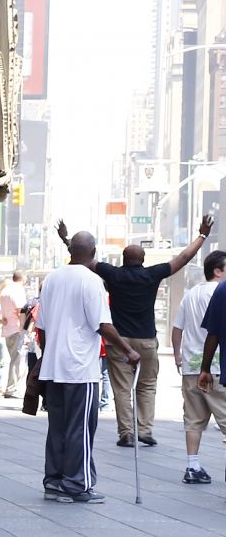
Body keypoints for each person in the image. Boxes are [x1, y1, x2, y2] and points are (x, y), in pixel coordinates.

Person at [59, 215, 213, 447]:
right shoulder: (152, 274)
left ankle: (127, 433)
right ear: (143, 259)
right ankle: (146, 429)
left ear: (123, 259)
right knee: (147, 386)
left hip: (119, 341)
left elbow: (84, 257)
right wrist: (202, 235)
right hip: (147, 340)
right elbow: (183, 258)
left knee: (121, 389)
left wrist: (66, 240)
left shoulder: (112, 273)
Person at [38, 230, 141, 503]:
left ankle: (54, 481)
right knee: (80, 428)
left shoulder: (51, 278)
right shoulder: (92, 281)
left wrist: (46, 355)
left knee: (57, 427)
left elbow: (42, 327)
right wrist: (128, 350)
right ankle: (78, 484)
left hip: (54, 366)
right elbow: (102, 324)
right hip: (79, 367)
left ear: (71, 251)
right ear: (93, 253)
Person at [173, 250, 226, 484]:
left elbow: (177, 328)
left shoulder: (190, 294)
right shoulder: (221, 291)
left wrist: (178, 356)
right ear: (218, 270)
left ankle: (192, 466)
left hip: (192, 367)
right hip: (216, 367)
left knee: (193, 419)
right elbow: (214, 333)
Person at [0, 271, 29, 397]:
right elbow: (20, 310)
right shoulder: (18, 290)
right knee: (18, 360)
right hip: (17, 328)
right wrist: (23, 328)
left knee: (14, 359)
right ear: (24, 279)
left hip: (7, 328)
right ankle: (12, 389)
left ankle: (11, 387)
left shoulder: (5, 290)